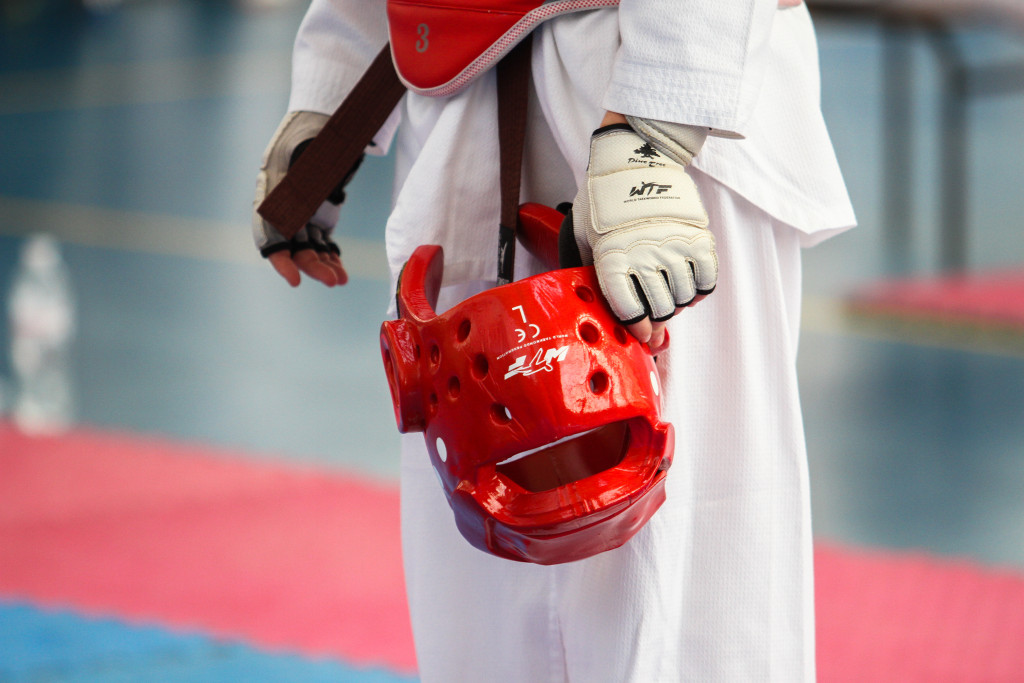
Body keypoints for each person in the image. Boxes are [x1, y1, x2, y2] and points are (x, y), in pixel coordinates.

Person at [252, 1, 856, 680]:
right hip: (455, 90)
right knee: (478, 582)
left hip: (645, 97)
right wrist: (330, 97)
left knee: (678, 599)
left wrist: (655, 134)